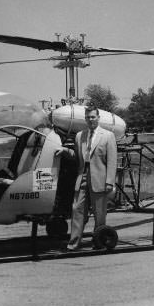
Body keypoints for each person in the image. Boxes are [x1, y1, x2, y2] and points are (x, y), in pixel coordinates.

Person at [56, 104, 117, 251]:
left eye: (93, 117)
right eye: (88, 117)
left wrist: (109, 182)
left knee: (99, 212)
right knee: (77, 209)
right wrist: (65, 150)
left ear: (98, 118)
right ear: (85, 119)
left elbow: (112, 161)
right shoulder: (79, 136)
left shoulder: (108, 136)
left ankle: (99, 241)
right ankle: (74, 243)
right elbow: (78, 157)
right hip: (82, 176)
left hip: (100, 179)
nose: (90, 120)